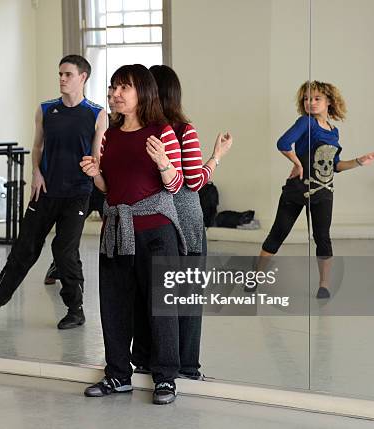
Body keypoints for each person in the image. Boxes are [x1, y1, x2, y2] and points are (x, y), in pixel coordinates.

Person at [81, 64, 186, 405]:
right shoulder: (110, 135)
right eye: (113, 88)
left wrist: (164, 163)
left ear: (142, 92)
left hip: (156, 231)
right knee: (113, 305)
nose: (115, 94)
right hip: (115, 228)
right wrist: (96, 174)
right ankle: (117, 374)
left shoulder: (162, 131)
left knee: (161, 308)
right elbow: (110, 189)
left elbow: (176, 184)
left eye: (123, 88)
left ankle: (166, 379)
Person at [0, 55, 107, 329]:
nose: (62, 79)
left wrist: (95, 170)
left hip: (78, 193)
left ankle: (75, 309)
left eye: (68, 74)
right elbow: (37, 147)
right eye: (60, 74)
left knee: (64, 249)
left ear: (83, 77)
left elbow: (96, 157)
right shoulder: (46, 110)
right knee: (24, 249)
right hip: (46, 191)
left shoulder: (97, 114)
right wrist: (36, 172)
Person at [131, 64, 233, 380]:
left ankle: (148, 360)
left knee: (151, 293)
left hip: (152, 219)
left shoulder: (139, 129)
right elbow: (194, 180)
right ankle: (186, 366)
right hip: (183, 221)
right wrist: (216, 157)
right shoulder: (181, 130)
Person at [257, 80, 374, 299]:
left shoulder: (334, 131)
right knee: (278, 233)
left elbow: (335, 166)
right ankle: (255, 279)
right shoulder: (306, 123)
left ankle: (324, 285)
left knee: (323, 237)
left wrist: (359, 161)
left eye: (316, 98)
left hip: (324, 191)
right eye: (306, 99)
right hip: (297, 189)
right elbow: (283, 143)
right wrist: (297, 163)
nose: (310, 103)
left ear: (329, 102)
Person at [43, 86, 116, 285]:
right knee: (69, 234)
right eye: (108, 96)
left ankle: (114, 269)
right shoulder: (95, 118)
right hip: (83, 183)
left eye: (114, 96)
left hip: (105, 184)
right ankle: (59, 265)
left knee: (112, 227)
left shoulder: (123, 123)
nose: (111, 100)